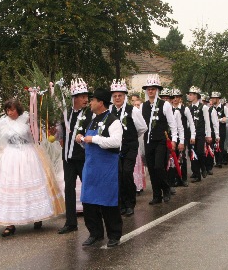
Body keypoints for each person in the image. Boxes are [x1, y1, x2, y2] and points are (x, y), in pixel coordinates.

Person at [0, 99, 65, 237]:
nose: (9, 113)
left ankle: (37, 216)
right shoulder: (3, 122)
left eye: (12, 110)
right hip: (10, 155)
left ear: (17, 109)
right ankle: (9, 223)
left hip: (28, 155)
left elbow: (38, 134)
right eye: (7, 110)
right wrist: (1, 145)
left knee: (30, 183)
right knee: (10, 187)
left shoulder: (27, 119)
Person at [76, 88, 123, 248]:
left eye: (92, 100)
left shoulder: (113, 121)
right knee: (88, 202)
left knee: (108, 201)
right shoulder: (92, 119)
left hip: (106, 168)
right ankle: (95, 233)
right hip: (91, 167)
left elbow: (116, 142)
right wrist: (82, 140)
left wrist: (94, 139)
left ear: (101, 103)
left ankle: (114, 234)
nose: (90, 102)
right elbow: (91, 145)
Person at [58, 78, 93, 234]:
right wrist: (56, 133)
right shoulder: (67, 113)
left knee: (88, 188)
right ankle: (70, 222)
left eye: (86, 96)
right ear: (74, 98)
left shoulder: (90, 114)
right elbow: (61, 133)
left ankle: (93, 222)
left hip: (83, 157)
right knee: (69, 189)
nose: (86, 99)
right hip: (68, 157)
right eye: (82, 96)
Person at [110, 79, 147, 217]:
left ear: (125, 96)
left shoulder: (133, 111)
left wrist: (130, 137)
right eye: (115, 96)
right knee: (118, 175)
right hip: (116, 148)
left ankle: (130, 204)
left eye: (120, 95)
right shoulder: (110, 110)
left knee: (126, 173)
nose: (117, 98)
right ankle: (121, 204)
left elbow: (142, 128)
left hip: (130, 147)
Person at [141, 74, 178, 204]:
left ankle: (166, 188)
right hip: (148, 141)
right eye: (148, 89)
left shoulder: (165, 105)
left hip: (161, 141)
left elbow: (172, 124)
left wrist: (174, 140)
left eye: (153, 88)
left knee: (158, 166)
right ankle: (157, 195)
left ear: (157, 90)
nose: (150, 91)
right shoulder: (143, 106)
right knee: (151, 168)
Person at [170, 88, 196, 187]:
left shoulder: (185, 109)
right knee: (174, 158)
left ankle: (183, 178)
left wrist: (192, 135)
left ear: (180, 98)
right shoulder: (169, 109)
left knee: (182, 157)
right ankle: (175, 178)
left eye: (177, 97)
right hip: (172, 137)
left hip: (183, 136)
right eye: (173, 97)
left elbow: (192, 123)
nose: (175, 99)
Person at [187, 86, 212, 183]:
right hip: (191, 134)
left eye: (192, 94)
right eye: (189, 94)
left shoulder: (204, 107)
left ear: (196, 96)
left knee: (200, 152)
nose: (190, 96)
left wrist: (208, 134)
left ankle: (203, 167)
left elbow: (207, 121)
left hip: (200, 133)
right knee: (193, 153)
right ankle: (197, 174)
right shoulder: (188, 108)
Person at [210, 92, 228, 167]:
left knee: (220, 144)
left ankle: (221, 161)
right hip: (214, 129)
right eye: (212, 98)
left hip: (221, 128)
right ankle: (217, 160)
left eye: (214, 98)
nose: (212, 99)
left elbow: (227, 118)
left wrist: (219, 120)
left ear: (218, 99)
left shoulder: (224, 108)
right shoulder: (211, 108)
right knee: (215, 145)